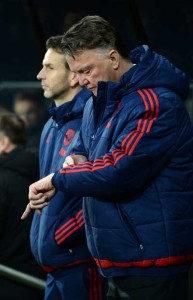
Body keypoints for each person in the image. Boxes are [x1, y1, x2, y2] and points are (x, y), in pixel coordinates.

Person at [22, 16, 193, 300]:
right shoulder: (95, 103)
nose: (80, 80)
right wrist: (72, 166)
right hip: (113, 260)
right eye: (76, 72)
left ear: (113, 58)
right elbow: (81, 154)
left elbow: (117, 171)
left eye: (86, 70)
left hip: (152, 263)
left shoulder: (157, 103)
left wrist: (59, 179)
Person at [28, 35, 107, 300]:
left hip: (81, 266)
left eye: (50, 68)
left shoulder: (93, 123)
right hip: (54, 267)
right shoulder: (50, 125)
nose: (40, 75)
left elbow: (102, 189)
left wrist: (59, 237)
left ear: (73, 76)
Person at [0, 112, 46, 300]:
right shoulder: (40, 169)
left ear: (3, 142)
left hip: (9, 280)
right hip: (38, 278)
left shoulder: (3, 180)